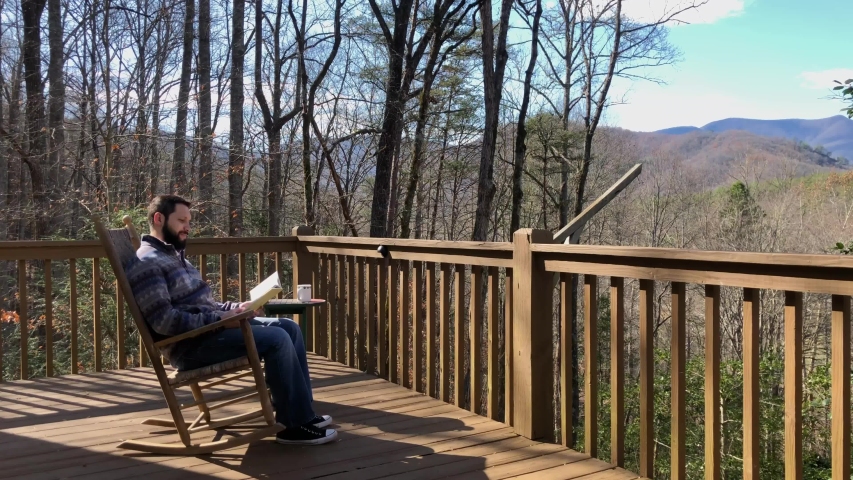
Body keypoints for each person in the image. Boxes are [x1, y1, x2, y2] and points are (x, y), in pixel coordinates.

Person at [126, 194, 337, 445]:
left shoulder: (174, 256)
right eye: (181, 221)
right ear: (159, 219)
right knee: (277, 338)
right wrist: (221, 319)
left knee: (288, 327)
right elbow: (164, 321)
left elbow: (204, 305)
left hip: (209, 334)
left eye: (189, 221)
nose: (187, 227)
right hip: (190, 347)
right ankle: (294, 427)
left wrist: (238, 308)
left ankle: (301, 412)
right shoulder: (147, 263)